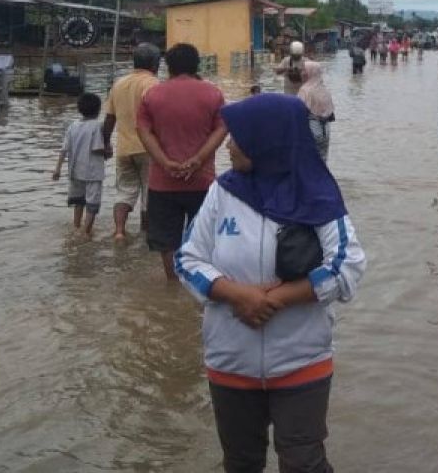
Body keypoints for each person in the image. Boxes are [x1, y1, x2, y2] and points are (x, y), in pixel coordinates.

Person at [175, 93, 366, 473]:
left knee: (303, 463)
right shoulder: (222, 192)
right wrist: (235, 294)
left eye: (238, 137)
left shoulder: (317, 192)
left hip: (302, 358)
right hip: (230, 359)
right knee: (241, 462)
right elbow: (187, 258)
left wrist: (276, 299)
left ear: (269, 138)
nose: (229, 145)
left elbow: (347, 265)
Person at [137, 43, 227, 281]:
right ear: (196, 64)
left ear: (168, 66)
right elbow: (222, 129)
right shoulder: (213, 93)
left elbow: (144, 132)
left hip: (163, 182)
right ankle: (201, 282)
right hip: (203, 181)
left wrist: (165, 162)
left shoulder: (152, 95)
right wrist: (198, 160)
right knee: (205, 237)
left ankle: (172, 281)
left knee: (166, 240)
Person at [102, 43, 161, 240]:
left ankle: (119, 231)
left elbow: (109, 119)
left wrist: (105, 143)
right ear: (155, 63)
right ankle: (146, 233)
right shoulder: (153, 84)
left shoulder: (118, 84)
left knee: (124, 191)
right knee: (149, 193)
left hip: (124, 148)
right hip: (149, 148)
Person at [53, 92, 108, 237]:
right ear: (98, 110)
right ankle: (86, 232)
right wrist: (108, 152)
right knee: (92, 203)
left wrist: (57, 169)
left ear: (79, 109)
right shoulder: (97, 126)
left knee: (78, 201)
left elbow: (64, 149)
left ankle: (76, 226)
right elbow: (97, 148)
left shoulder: (73, 126)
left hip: (75, 171)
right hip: (92, 172)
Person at [297, 59, 336, 162]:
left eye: (304, 71)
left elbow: (299, 113)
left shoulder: (305, 90)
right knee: (322, 161)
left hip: (311, 130)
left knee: (308, 162)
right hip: (325, 131)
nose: (302, 73)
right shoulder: (324, 90)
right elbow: (331, 114)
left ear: (310, 72)